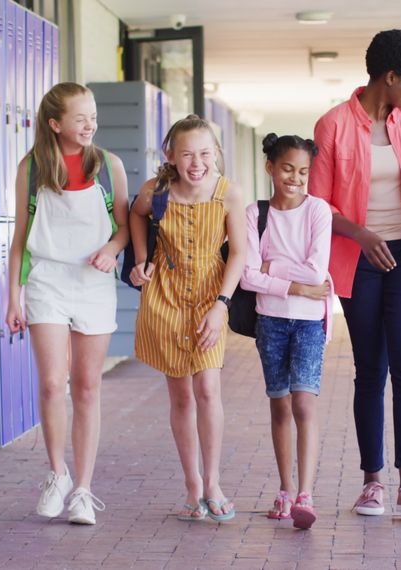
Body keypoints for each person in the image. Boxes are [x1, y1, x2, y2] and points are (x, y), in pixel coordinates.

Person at [308, 29, 401, 517]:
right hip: (359, 259)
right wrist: (362, 235)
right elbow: (318, 204)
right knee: (370, 368)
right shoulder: (332, 126)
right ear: (389, 77)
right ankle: (372, 482)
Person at [6, 82, 129, 525]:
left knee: (87, 387)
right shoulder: (32, 168)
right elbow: (19, 238)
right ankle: (57, 474)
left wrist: (111, 250)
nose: (90, 124)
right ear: (56, 124)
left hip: (93, 284)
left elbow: (124, 227)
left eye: (93, 116)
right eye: (81, 118)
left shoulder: (109, 166)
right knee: (51, 383)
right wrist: (13, 297)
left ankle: (83, 490)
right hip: (47, 282)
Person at [128, 115, 247, 522]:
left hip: (210, 298)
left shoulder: (229, 194)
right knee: (180, 395)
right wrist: (141, 259)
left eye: (205, 153)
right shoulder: (156, 191)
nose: (197, 163)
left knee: (208, 389)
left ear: (216, 153)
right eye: (187, 155)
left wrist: (221, 305)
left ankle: (213, 482)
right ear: (171, 156)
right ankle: (192, 485)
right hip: (165, 298)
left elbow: (239, 254)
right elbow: (136, 214)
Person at [240, 134, 332, 529]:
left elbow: (317, 271)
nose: (295, 178)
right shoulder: (255, 214)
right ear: (270, 168)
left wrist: (271, 268)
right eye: (287, 169)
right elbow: (246, 276)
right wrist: (295, 286)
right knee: (279, 404)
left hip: (309, 322)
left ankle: (305, 494)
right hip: (270, 320)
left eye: (303, 171)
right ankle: (285, 488)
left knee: (304, 404)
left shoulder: (318, 211)